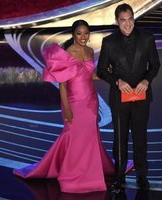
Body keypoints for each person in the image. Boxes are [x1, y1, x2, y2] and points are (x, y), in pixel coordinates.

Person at [13, 19, 114, 193]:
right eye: (79, 33)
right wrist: (66, 108)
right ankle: (72, 174)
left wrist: (107, 75)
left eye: (86, 33)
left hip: (90, 100)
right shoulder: (68, 52)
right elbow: (63, 84)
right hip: (74, 101)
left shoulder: (90, 51)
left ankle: (91, 172)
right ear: (73, 35)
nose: (83, 37)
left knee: (90, 137)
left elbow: (89, 75)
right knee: (74, 136)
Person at [97, 3, 160, 190]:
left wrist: (147, 81)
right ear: (117, 22)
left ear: (134, 18)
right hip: (119, 98)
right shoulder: (108, 42)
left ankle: (142, 175)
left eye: (130, 19)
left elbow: (155, 64)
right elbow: (101, 70)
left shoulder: (147, 38)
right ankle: (119, 175)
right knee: (120, 138)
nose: (128, 24)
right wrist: (117, 81)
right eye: (123, 20)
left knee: (140, 137)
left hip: (141, 95)